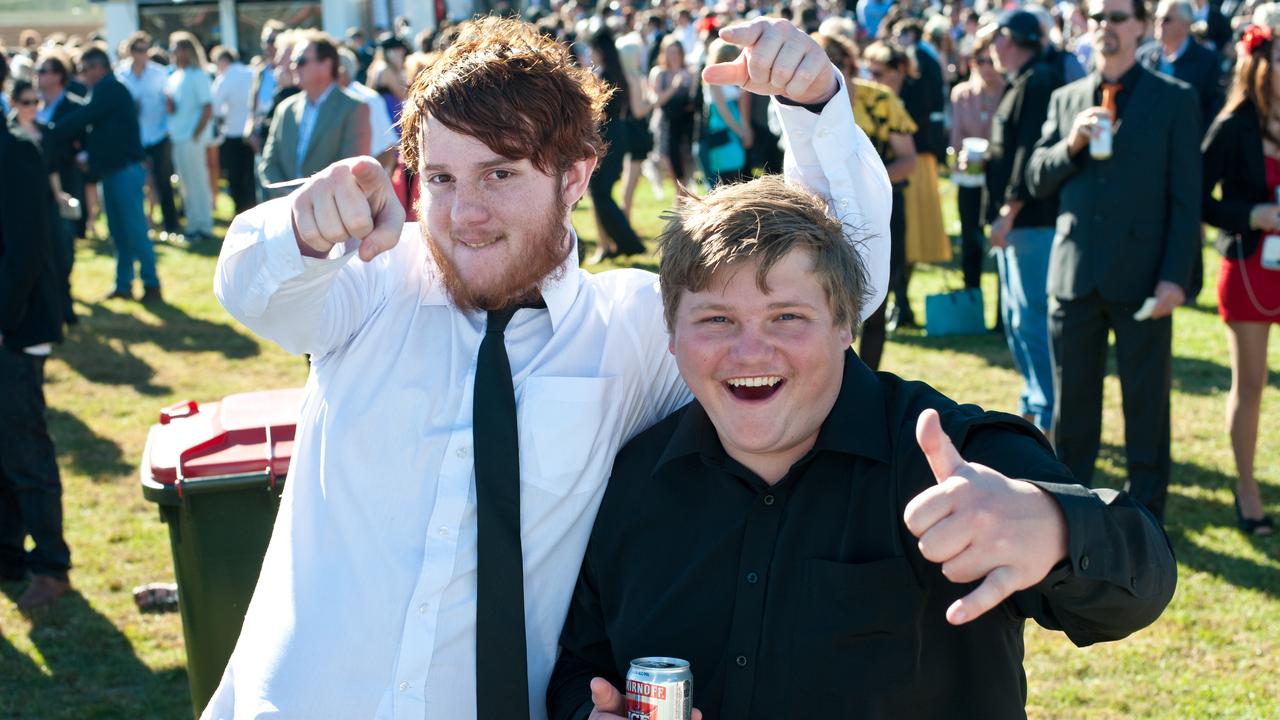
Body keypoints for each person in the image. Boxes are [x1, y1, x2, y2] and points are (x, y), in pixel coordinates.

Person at [206, 16, 889, 719]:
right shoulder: (373, 284)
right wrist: (300, 227)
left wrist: (814, 108)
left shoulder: (633, 329)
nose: (465, 212)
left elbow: (841, 285)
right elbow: (254, 290)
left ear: (577, 175)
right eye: (441, 178)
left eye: (500, 173)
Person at [546, 175, 1177, 720]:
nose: (749, 352)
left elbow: (1139, 580)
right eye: (717, 320)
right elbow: (580, 663)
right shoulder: (634, 477)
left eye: (787, 317)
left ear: (847, 324)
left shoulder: (946, 456)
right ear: (673, 335)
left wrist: (1055, 528)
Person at [1028, 0, 1202, 522]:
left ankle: (1146, 515)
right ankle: (1070, 512)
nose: (1107, 28)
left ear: (1141, 26)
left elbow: (1186, 197)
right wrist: (1072, 142)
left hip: (1144, 276)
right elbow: (1036, 177)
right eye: (1099, 18)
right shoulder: (1066, 98)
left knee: (1146, 404)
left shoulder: (1174, 100)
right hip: (1076, 273)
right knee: (1072, 406)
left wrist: (1176, 278)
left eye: (1118, 18)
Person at [1200, 23, 1278, 535]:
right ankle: (1246, 488)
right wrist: (1252, 215)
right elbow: (1200, 198)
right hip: (1250, 270)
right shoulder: (1233, 124)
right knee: (1250, 385)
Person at [0, 111, 73, 613]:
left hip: (15, 328)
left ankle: (51, 565)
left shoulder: (17, 152)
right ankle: (8, 556)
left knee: (24, 448)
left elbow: (25, 250)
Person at [817, 32, 916, 371]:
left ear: (850, 64)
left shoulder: (880, 100)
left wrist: (865, 182)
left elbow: (908, 161)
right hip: (825, 216)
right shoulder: (805, 106)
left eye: (835, 63)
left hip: (882, 211)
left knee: (875, 301)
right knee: (827, 304)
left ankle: (869, 381)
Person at [984, 11, 1062, 435]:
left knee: (1032, 321)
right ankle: (1034, 405)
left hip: (1030, 221)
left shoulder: (1038, 81)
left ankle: (1048, 414)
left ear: (1011, 41)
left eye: (996, 39)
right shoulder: (1023, 80)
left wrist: (1008, 211)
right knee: (1017, 321)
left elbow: (1028, 153)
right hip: (1018, 221)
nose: (991, 48)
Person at [49, 45, 162, 303]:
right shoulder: (106, 89)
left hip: (124, 171)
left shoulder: (110, 88)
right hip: (113, 171)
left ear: (99, 67)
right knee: (118, 231)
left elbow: (85, 116)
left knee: (133, 229)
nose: (82, 75)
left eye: (85, 69)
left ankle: (151, 283)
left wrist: (51, 131)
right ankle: (124, 284)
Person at [259, 31, 371, 192]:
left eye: (300, 61)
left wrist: (309, 201)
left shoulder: (354, 108)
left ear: (326, 65)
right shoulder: (285, 109)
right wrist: (289, 198)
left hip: (330, 211)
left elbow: (350, 169)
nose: (293, 66)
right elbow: (269, 164)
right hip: (286, 209)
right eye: (293, 61)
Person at [585, 23, 646, 262]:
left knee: (599, 192)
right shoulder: (618, 73)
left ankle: (627, 242)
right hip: (619, 134)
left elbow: (596, 113)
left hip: (605, 135)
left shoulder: (602, 75)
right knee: (603, 192)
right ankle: (623, 242)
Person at [951, 31, 1005, 292]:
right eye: (980, 61)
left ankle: (1002, 313)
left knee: (1000, 240)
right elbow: (956, 136)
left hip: (999, 176)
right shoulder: (962, 93)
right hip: (970, 176)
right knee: (970, 237)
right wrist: (959, 156)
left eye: (990, 60)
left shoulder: (1009, 92)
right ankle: (971, 293)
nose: (986, 67)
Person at [118, 31, 182, 242]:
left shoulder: (160, 73)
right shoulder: (122, 75)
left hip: (158, 134)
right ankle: (140, 223)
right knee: (136, 182)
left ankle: (171, 224)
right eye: (138, 50)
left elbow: (170, 102)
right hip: (134, 137)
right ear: (131, 52)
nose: (143, 54)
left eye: (146, 50)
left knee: (163, 181)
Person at [1138, 0, 1224, 124]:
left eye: (1166, 19)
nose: (1159, 23)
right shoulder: (1143, 57)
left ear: (1186, 23)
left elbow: (1212, 110)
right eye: (1156, 18)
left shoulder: (1208, 61)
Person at [166, 32, 215, 242]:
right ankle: (193, 225)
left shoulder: (198, 75)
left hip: (192, 138)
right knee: (185, 184)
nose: (174, 51)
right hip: (178, 136)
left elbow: (207, 107)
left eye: (177, 47)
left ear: (187, 50)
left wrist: (196, 133)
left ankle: (204, 226)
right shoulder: (175, 75)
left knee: (198, 182)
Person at [211, 46, 257, 215]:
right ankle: (252, 206)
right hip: (250, 132)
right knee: (250, 174)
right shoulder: (250, 72)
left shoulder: (225, 77)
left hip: (233, 132)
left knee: (235, 175)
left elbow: (215, 106)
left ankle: (241, 209)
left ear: (222, 61)